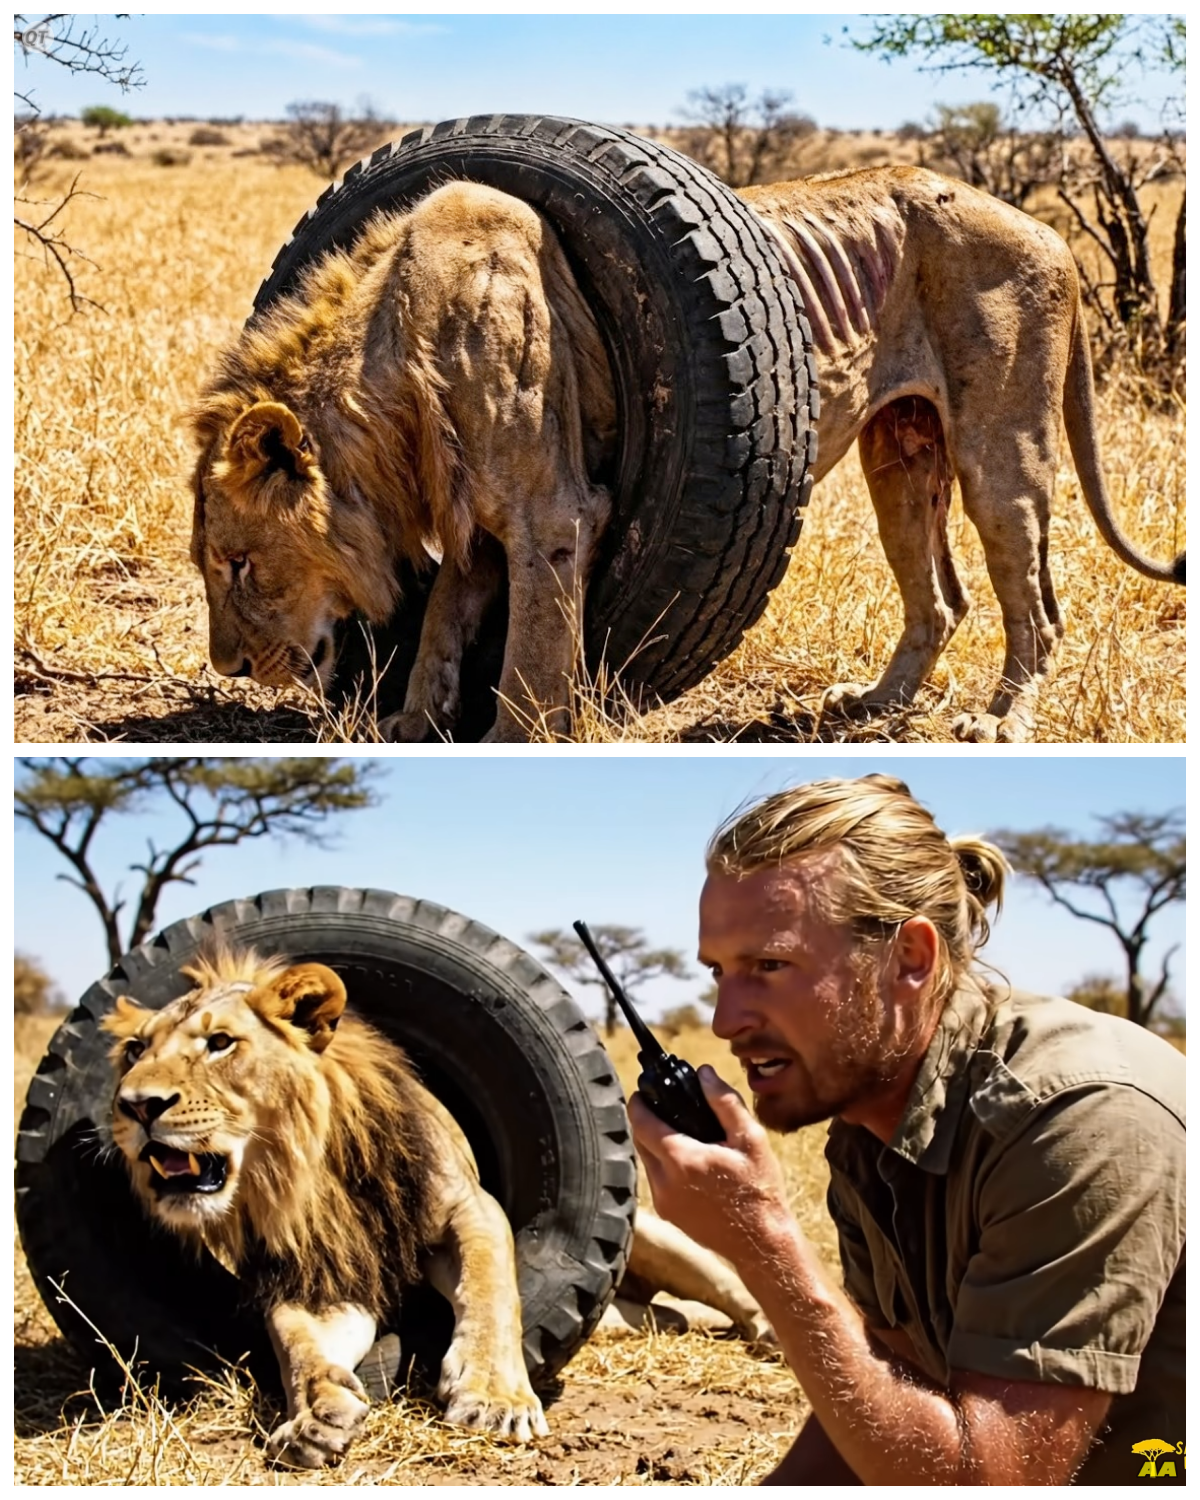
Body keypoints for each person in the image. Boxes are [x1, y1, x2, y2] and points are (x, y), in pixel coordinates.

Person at [629, 775, 1185, 1486]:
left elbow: (986, 1482)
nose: (725, 1021)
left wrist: (763, 1245)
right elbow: (897, 1381)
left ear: (910, 960)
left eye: (769, 966)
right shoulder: (870, 1121)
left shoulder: (1079, 1118)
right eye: (719, 974)